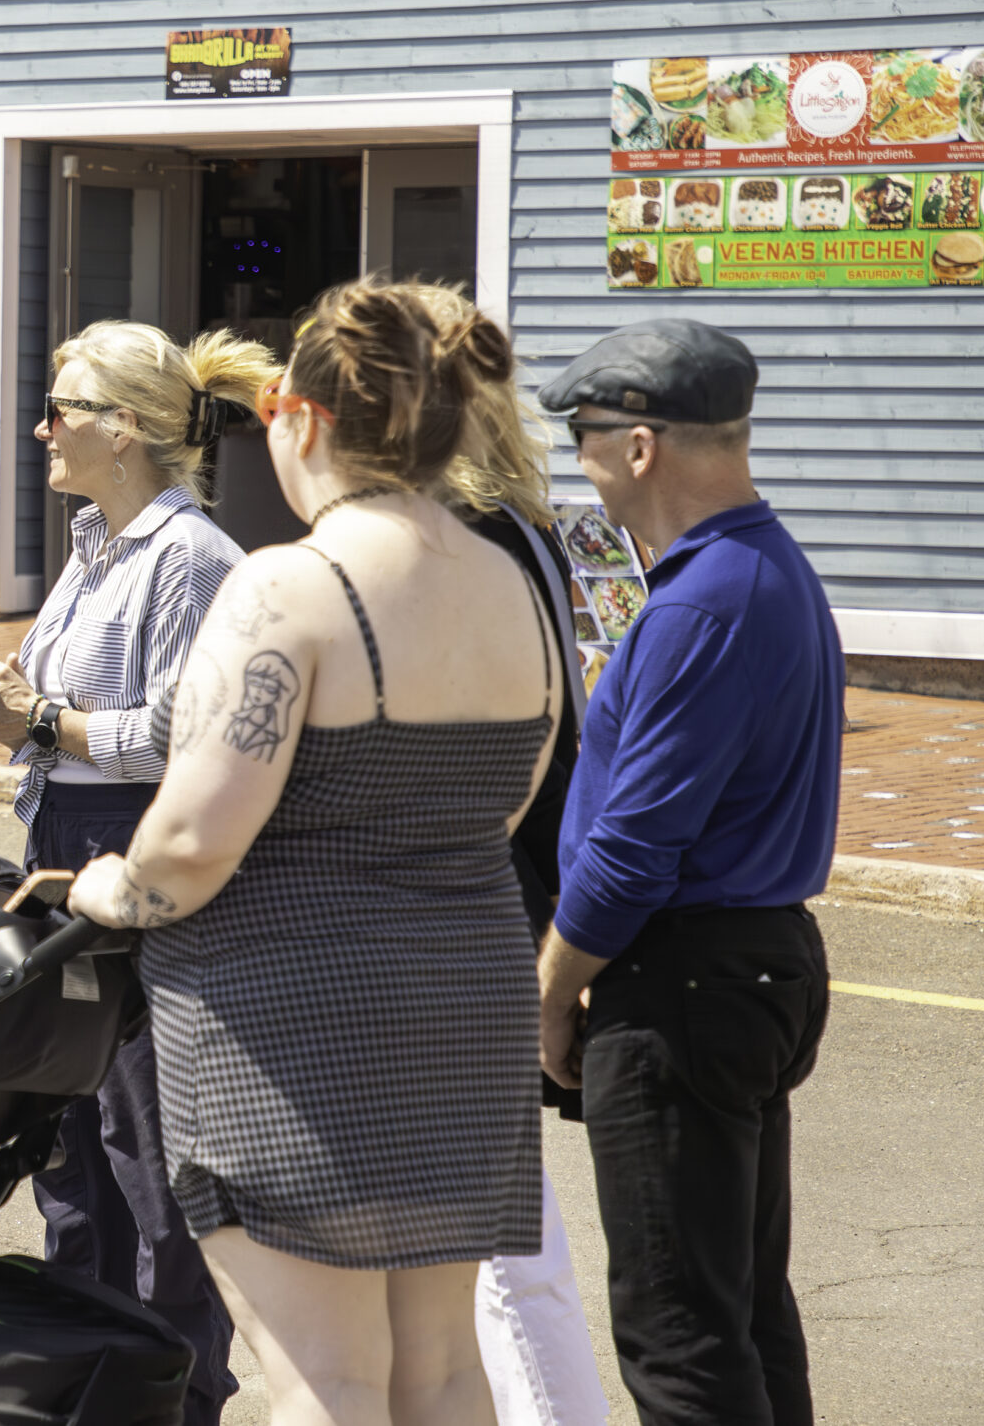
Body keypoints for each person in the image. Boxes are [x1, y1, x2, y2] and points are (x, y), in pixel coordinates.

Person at [69, 278, 559, 1426]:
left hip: (291, 1023)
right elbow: (500, 806)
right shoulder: (512, 582)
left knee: (322, 1381)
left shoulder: (289, 585)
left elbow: (189, 840)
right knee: (441, 1369)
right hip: (466, 1011)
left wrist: (109, 887)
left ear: (300, 418)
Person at [0, 319, 277, 1426]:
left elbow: (184, 736)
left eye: (61, 407)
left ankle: (179, 1395)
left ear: (121, 428)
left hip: (139, 873)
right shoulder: (94, 546)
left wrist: (37, 717)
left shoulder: (189, 557)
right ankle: (86, 1387)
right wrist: (6, 705)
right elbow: (50, 710)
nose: (42, 426)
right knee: (67, 1147)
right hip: (59, 866)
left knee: (151, 1160)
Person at [532, 319, 839, 1426]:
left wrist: (553, 991)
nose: (582, 460)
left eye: (585, 436)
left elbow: (630, 851)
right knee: (740, 1307)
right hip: (744, 968)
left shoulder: (701, 601)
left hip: (682, 986)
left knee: (678, 1332)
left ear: (642, 444)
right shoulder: (763, 565)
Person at [412, 287, 608, 1426]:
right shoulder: (522, 519)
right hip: (510, 892)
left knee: (491, 1243)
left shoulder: (460, 538)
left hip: (468, 905)